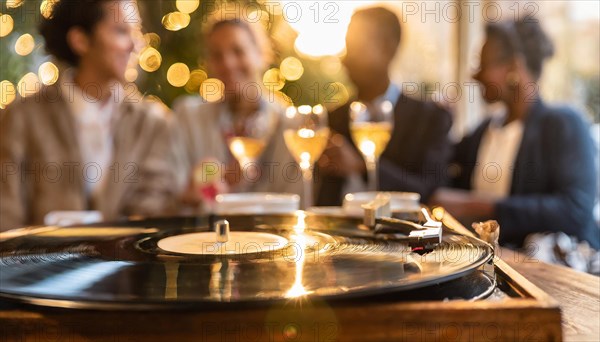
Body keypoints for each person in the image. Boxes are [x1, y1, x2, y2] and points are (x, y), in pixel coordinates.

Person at [0, 0, 176, 230]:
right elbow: (5, 213)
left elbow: (153, 209)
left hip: (128, 263)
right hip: (36, 263)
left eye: (137, 31)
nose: (136, 44)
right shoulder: (23, 116)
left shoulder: (151, 121)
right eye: (121, 31)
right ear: (80, 40)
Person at [432, 16, 599, 249]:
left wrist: (478, 206)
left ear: (513, 67)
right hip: (493, 272)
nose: (475, 75)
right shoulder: (484, 131)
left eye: (483, 64)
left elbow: (574, 210)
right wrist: (438, 122)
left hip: (548, 276)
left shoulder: (563, 123)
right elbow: (439, 180)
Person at [316, 7, 453, 206]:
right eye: (347, 48)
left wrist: (361, 167)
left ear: (389, 49)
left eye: (358, 48)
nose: (346, 59)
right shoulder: (333, 118)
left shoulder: (430, 119)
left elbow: (428, 192)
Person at [172, 15, 301, 211]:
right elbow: (169, 196)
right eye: (217, 55)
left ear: (260, 54)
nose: (228, 63)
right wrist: (189, 196)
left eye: (238, 51)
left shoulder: (288, 125)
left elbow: (294, 201)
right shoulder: (189, 117)